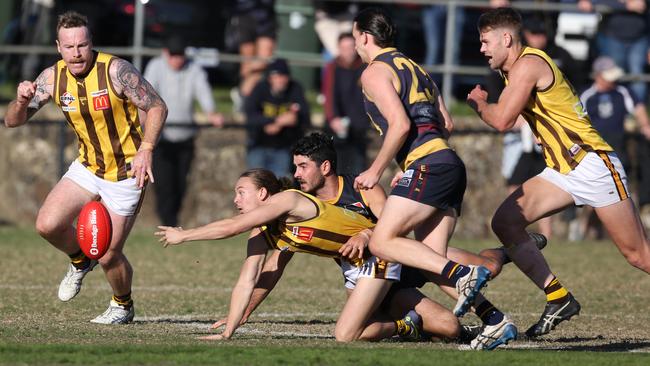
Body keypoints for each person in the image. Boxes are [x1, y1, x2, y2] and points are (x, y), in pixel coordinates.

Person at [466, 7, 650, 337]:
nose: (482, 48)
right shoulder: (514, 70)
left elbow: (502, 120)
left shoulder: (527, 65)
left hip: (593, 165)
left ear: (506, 38)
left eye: (485, 41)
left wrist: (479, 102)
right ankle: (558, 296)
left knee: (639, 255)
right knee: (506, 222)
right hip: (563, 170)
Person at [155, 168, 456, 342]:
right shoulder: (262, 231)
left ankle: (492, 275)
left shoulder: (288, 200)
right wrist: (230, 329)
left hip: (380, 255)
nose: (235, 199)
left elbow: (232, 226)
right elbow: (248, 280)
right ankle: (412, 325)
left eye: (241, 191)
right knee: (448, 326)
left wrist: (185, 235)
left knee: (346, 335)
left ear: (263, 194)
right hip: (354, 271)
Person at [4, 11, 167, 324]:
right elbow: (12, 121)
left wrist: (146, 149)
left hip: (125, 173)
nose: (77, 52)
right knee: (47, 225)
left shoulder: (117, 71)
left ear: (91, 43)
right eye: (69, 47)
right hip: (88, 166)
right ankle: (79, 260)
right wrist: (22, 100)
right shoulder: (52, 78)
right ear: (58, 47)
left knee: (107, 254)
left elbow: (157, 105)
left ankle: (122, 305)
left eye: (82, 45)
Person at [350, 7, 490, 320]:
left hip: (429, 165)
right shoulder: (417, 68)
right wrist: (407, 167)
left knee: (384, 243)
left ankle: (464, 272)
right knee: (431, 259)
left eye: (354, 36)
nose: (354, 45)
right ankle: (495, 320)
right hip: (448, 162)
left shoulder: (374, 72)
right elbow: (448, 124)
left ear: (365, 36)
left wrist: (376, 171)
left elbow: (399, 124)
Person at [144, 35, 224, 227]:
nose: (177, 60)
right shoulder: (156, 67)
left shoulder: (194, 69)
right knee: (164, 184)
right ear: (165, 53)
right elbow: (146, 94)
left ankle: (173, 221)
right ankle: (167, 223)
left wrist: (211, 111)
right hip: (161, 138)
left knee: (181, 184)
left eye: (180, 56)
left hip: (185, 137)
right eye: (173, 55)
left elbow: (202, 90)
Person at [570, 56, 650, 240]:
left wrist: (645, 126)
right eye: (608, 76)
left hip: (618, 151)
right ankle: (582, 228)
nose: (613, 80)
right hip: (593, 153)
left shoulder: (622, 92)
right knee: (594, 196)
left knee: (621, 193)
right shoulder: (587, 95)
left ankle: (631, 234)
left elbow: (638, 111)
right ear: (598, 76)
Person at [244, 58, 311, 177]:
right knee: (256, 182)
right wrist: (276, 121)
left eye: (283, 76)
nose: (280, 80)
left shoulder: (295, 89)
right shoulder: (260, 88)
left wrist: (286, 121)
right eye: (276, 76)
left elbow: (304, 117)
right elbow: (250, 116)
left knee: (281, 185)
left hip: (283, 147)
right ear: (270, 78)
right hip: (259, 144)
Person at [321, 33, 369, 174]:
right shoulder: (332, 67)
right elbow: (328, 95)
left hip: (360, 127)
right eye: (343, 48)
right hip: (337, 126)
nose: (347, 51)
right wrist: (333, 118)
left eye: (350, 47)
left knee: (357, 171)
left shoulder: (365, 66)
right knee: (336, 169)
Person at [227, 0, 277, 111]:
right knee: (247, 63)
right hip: (244, 14)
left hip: (266, 16)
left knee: (263, 61)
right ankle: (246, 99)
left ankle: (243, 94)